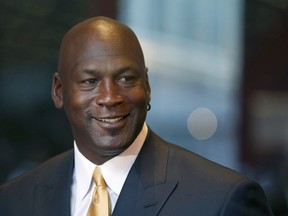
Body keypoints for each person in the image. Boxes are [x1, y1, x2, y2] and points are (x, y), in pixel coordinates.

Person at [0, 16, 273, 216]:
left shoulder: (222, 199)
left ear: (148, 87)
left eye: (126, 78)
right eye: (90, 81)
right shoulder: (13, 201)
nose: (110, 97)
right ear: (58, 92)